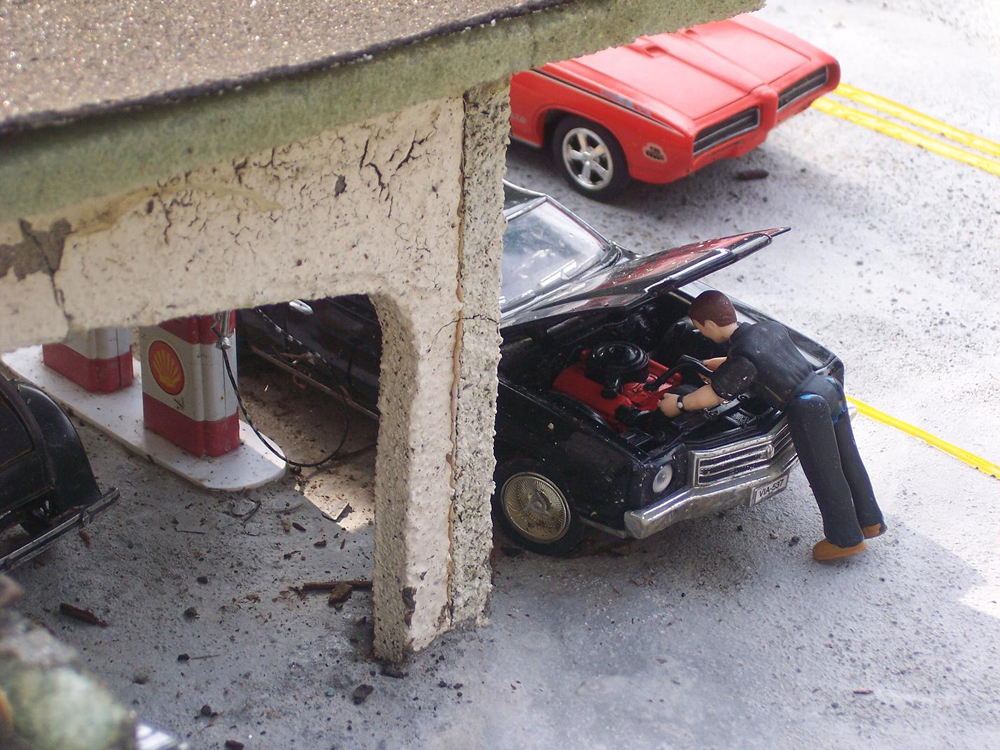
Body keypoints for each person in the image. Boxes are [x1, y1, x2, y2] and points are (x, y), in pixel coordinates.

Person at [658, 290, 885, 561]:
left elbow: (713, 395)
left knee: (825, 473)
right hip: (828, 389)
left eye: (700, 330)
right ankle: (870, 519)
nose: (703, 335)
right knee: (849, 458)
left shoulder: (743, 357)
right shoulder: (767, 329)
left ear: (708, 326)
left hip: (807, 407)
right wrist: (725, 367)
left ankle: (846, 538)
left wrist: (680, 404)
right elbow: (766, 360)